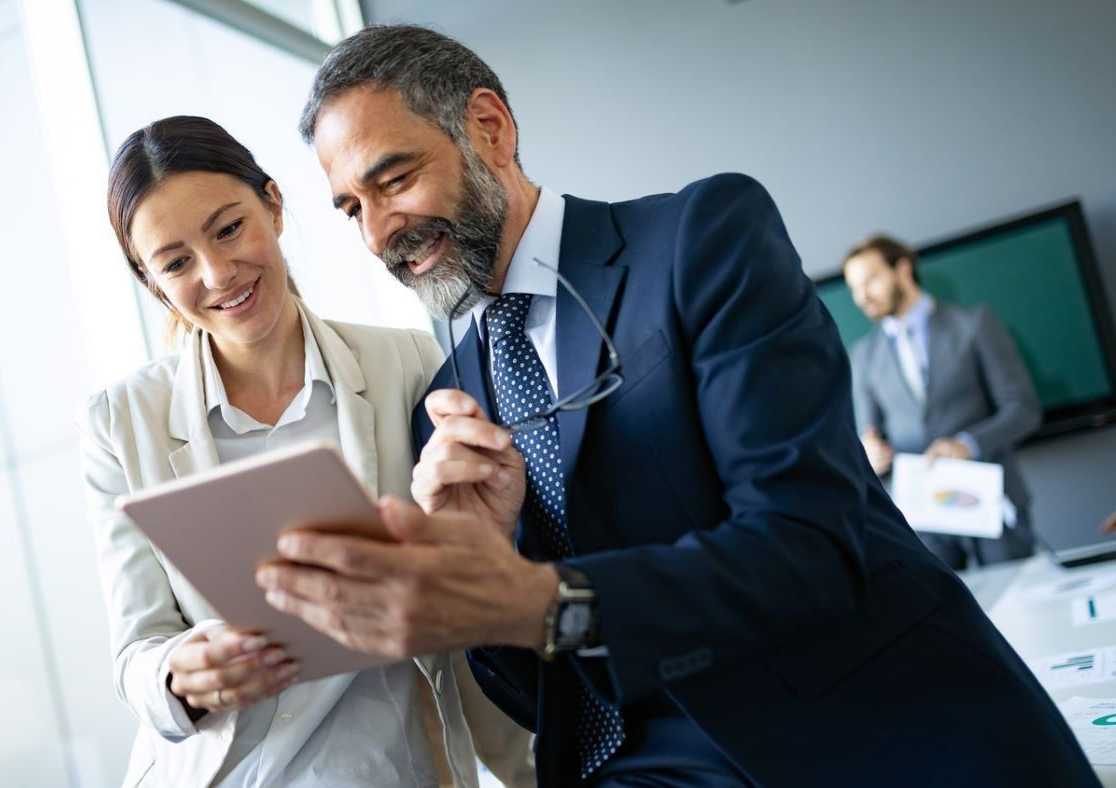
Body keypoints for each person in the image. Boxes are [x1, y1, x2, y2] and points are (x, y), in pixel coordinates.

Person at [252, 24, 1099, 787]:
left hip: (853, 740)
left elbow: (811, 544)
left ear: (489, 128)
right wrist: (479, 560)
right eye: (351, 208)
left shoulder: (700, 240)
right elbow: (532, 694)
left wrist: (543, 597)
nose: (376, 234)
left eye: (393, 179)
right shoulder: (446, 404)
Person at [77, 115, 533, 787]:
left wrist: (527, 769)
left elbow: (466, 579)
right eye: (176, 263)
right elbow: (136, 652)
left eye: (230, 228)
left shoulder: (403, 362)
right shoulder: (121, 422)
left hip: (400, 766)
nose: (219, 272)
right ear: (151, 282)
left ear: (274, 204)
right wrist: (180, 674)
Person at [842, 234, 1042, 569]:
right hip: (924, 520)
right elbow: (869, 435)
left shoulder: (975, 323)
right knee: (943, 617)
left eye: (871, 280)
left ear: (903, 270)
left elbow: (1023, 408)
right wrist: (870, 454)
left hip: (992, 503)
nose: (862, 297)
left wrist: (968, 444)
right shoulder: (863, 355)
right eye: (854, 288)